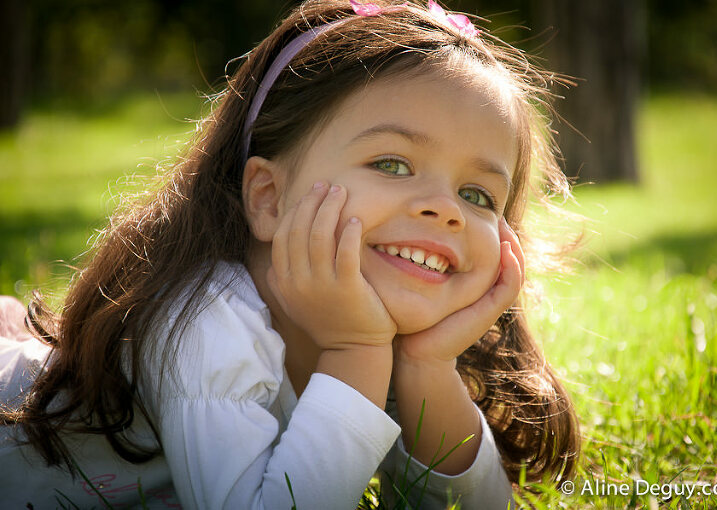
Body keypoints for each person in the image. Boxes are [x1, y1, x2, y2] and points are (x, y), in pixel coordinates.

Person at [0, 0, 580, 508]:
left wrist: (428, 366)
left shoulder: (397, 335)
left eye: (477, 195)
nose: (444, 209)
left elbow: (473, 507)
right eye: (392, 164)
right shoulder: (207, 317)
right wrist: (356, 352)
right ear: (269, 198)